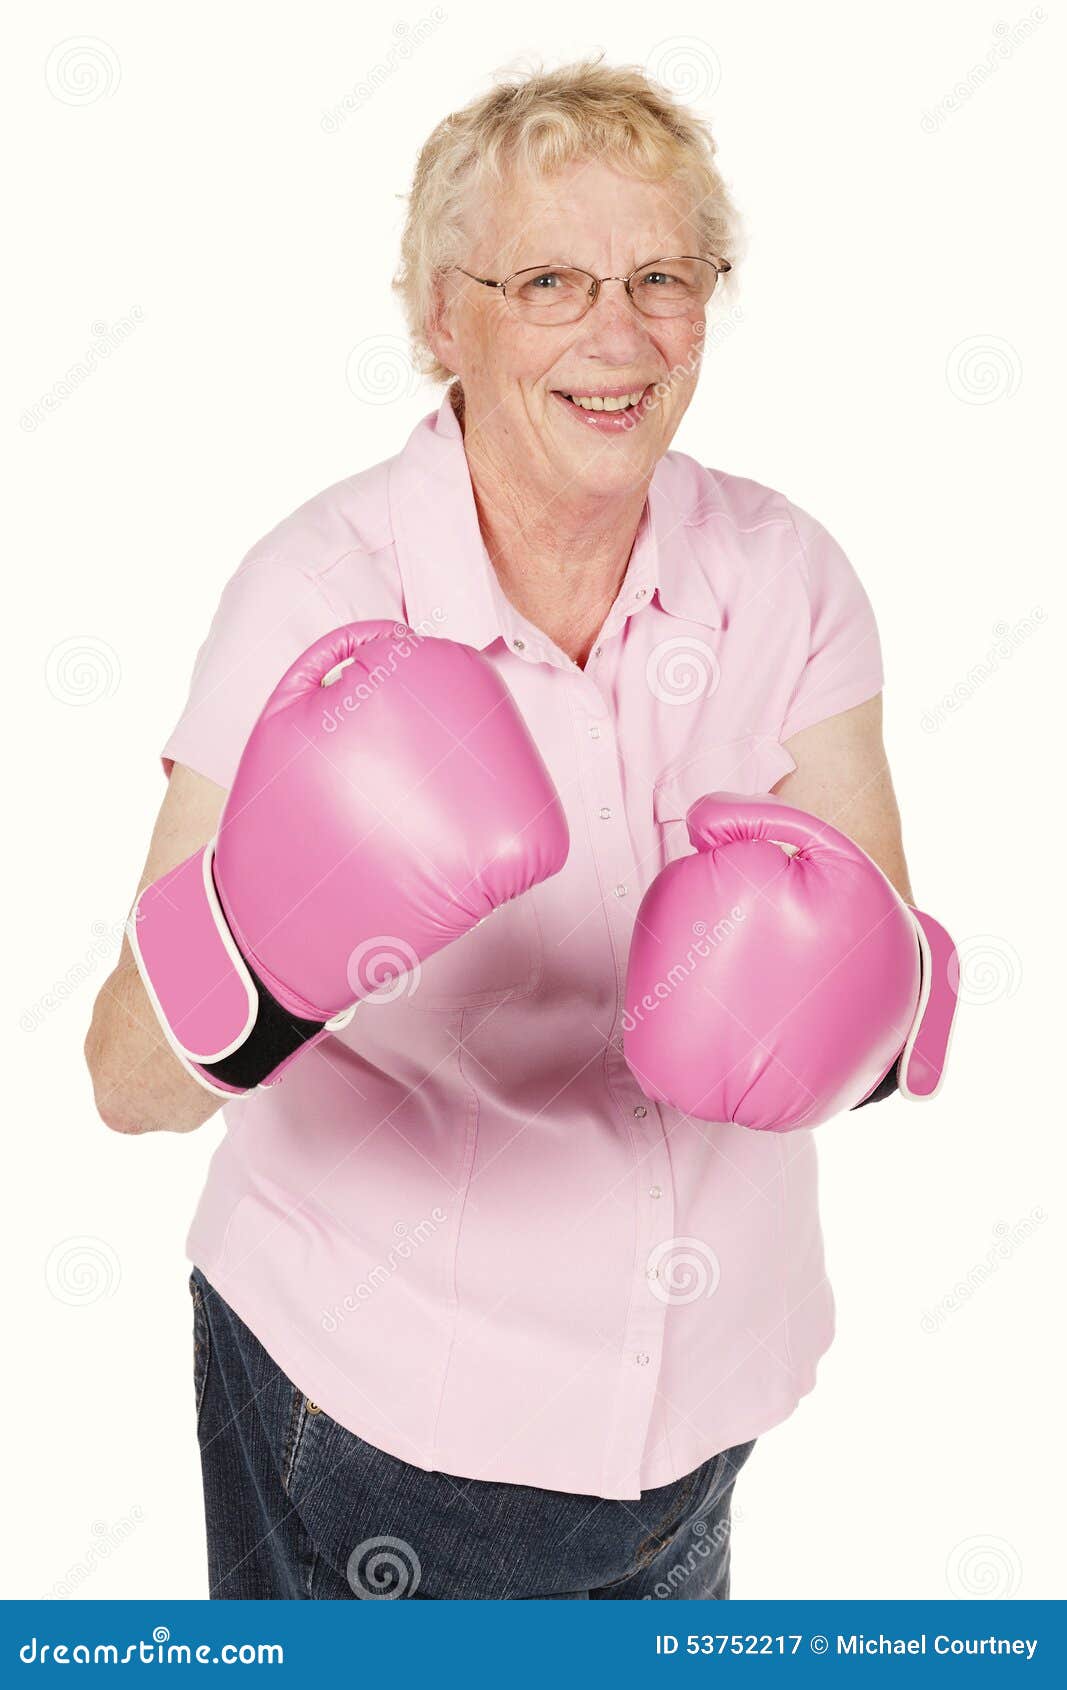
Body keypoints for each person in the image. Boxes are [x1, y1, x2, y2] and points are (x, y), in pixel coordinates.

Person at [84, 58, 915, 1600]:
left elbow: (894, 1010)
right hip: (370, 1413)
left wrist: (838, 1005)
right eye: (549, 278)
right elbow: (126, 1079)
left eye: (664, 274)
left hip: (703, 1425)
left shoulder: (788, 575)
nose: (620, 334)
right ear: (440, 319)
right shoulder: (320, 595)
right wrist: (273, 937)